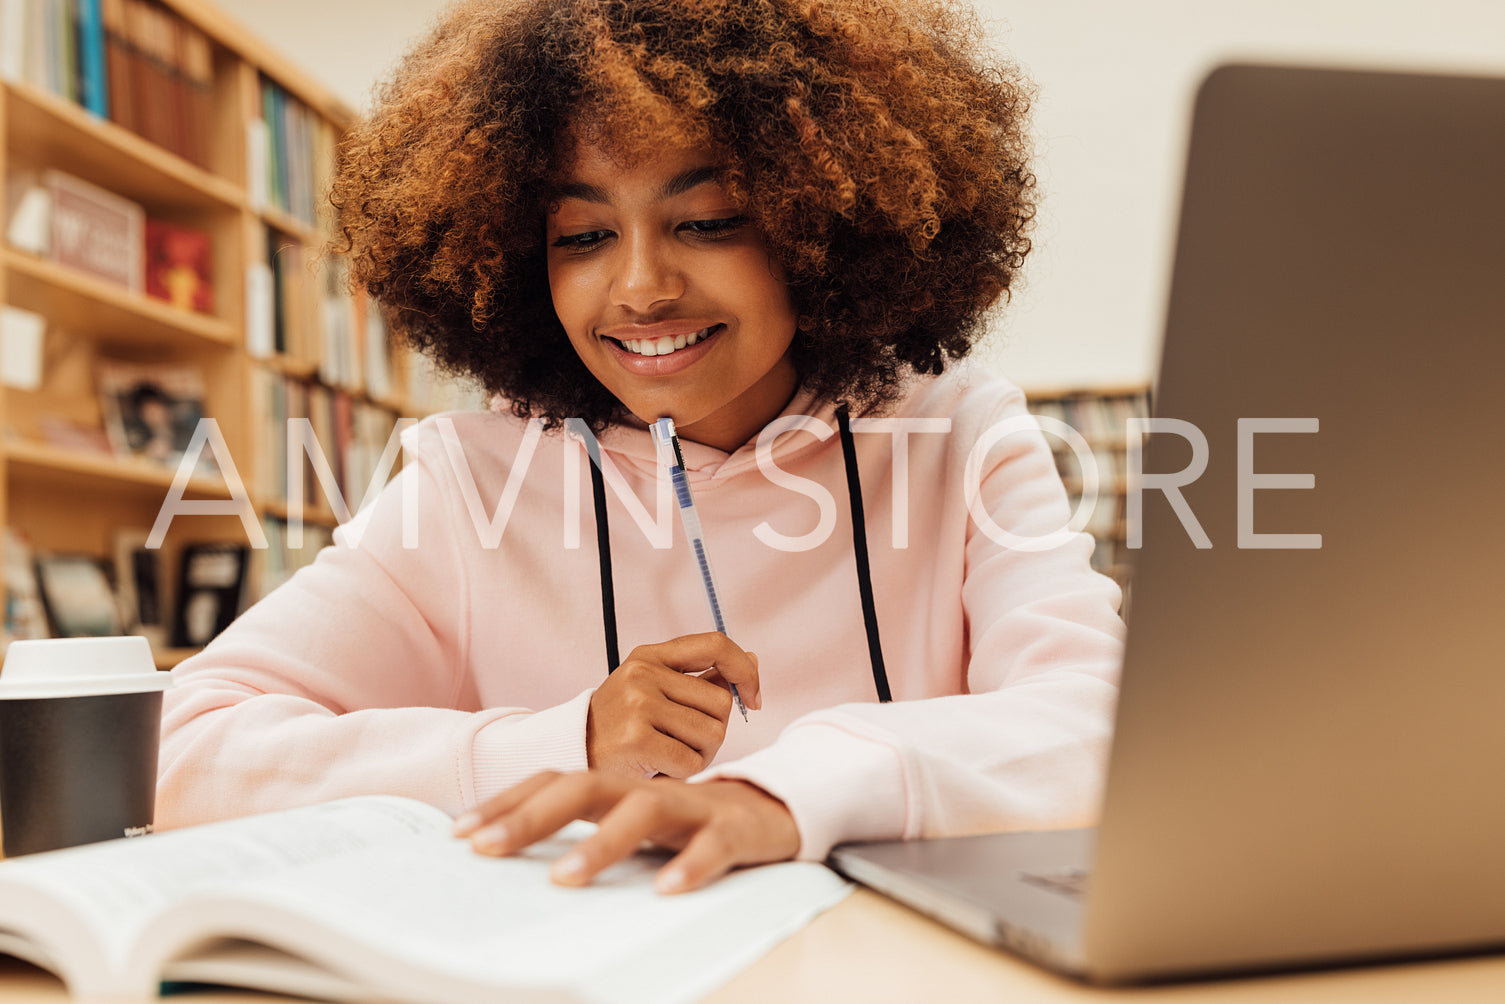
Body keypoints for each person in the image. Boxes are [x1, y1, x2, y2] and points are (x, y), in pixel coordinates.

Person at [157, 0, 1125, 895]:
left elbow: (1106, 726)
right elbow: (176, 749)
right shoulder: (471, 480)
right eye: (579, 236)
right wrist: (565, 738)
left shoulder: (956, 434)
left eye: (706, 222)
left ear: (819, 226)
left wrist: (783, 792)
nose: (639, 287)